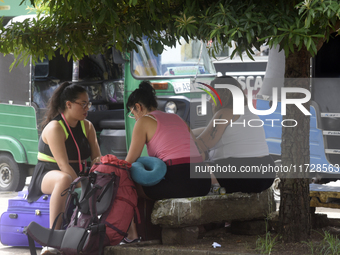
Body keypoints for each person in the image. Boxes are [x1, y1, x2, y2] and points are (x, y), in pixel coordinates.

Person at [121, 81, 211, 244]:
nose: (134, 118)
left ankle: (134, 234)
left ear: (138, 107)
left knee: (129, 184)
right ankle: (200, 226)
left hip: (177, 181)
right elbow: (198, 150)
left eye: (132, 113)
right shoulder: (177, 118)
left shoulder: (143, 121)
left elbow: (129, 161)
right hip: (202, 181)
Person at [27, 82, 101, 255]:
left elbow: (97, 159)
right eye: (83, 104)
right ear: (68, 104)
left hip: (79, 175)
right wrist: (82, 186)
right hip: (48, 175)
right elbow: (63, 165)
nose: (86, 108)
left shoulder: (88, 126)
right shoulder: (55, 127)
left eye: (88, 104)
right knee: (64, 178)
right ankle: (52, 241)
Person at [194, 76, 275, 194]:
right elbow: (209, 130)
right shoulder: (246, 112)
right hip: (266, 173)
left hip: (245, 173)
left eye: (213, 95)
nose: (210, 100)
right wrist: (189, 131)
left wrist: (184, 132)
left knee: (193, 169)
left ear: (223, 95)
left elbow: (202, 145)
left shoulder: (225, 113)